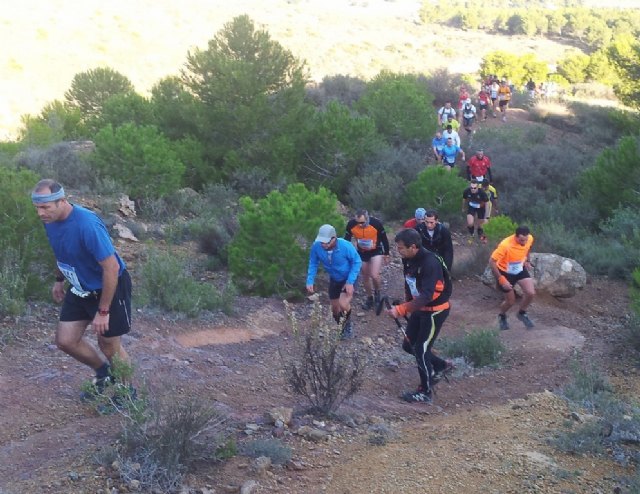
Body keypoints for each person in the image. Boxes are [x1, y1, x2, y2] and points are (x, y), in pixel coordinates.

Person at [31, 179, 133, 399]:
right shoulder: (50, 220)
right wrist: (59, 279)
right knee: (66, 340)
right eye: (37, 207)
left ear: (62, 201)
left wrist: (103, 311)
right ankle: (104, 374)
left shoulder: (86, 224)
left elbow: (111, 268)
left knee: (109, 344)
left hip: (108, 286)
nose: (40, 213)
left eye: (45, 207)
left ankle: (127, 395)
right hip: (80, 286)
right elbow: (60, 251)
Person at [386, 228, 452, 403]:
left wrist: (402, 309)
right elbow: (410, 282)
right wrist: (407, 303)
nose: (398, 251)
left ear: (413, 247)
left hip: (435, 311)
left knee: (421, 349)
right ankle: (441, 365)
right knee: (409, 346)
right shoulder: (408, 259)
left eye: (401, 248)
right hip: (419, 308)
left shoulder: (430, 263)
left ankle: (425, 392)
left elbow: (427, 295)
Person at [306, 224, 362, 338]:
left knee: (343, 303)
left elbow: (357, 261)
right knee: (335, 309)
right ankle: (341, 328)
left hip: (348, 277)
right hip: (335, 278)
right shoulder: (317, 247)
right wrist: (310, 280)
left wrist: (350, 282)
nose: (323, 245)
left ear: (334, 238)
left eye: (326, 242)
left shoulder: (345, 246)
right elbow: (313, 262)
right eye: (322, 242)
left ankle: (347, 328)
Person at [489, 225, 536, 331]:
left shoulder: (529, 238)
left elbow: (528, 248)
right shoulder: (505, 245)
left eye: (526, 240)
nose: (524, 242)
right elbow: (491, 262)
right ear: (516, 236)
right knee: (510, 301)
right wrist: (501, 279)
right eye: (521, 240)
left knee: (531, 293)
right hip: (505, 272)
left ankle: (521, 313)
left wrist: (527, 260)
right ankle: (502, 315)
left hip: (519, 268)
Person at [344, 210, 390, 311]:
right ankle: (369, 298)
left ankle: (377, 293)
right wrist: (346, 253)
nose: (359, 225)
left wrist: (386, 253)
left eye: (362, 222)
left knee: (374, 275)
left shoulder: (376, 223)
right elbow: (347, 239)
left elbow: (384, 239)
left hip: (375, 251)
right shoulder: (351, 224)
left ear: (367, 218)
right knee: (365, 276)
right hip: (362, 252)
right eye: (357, 222)